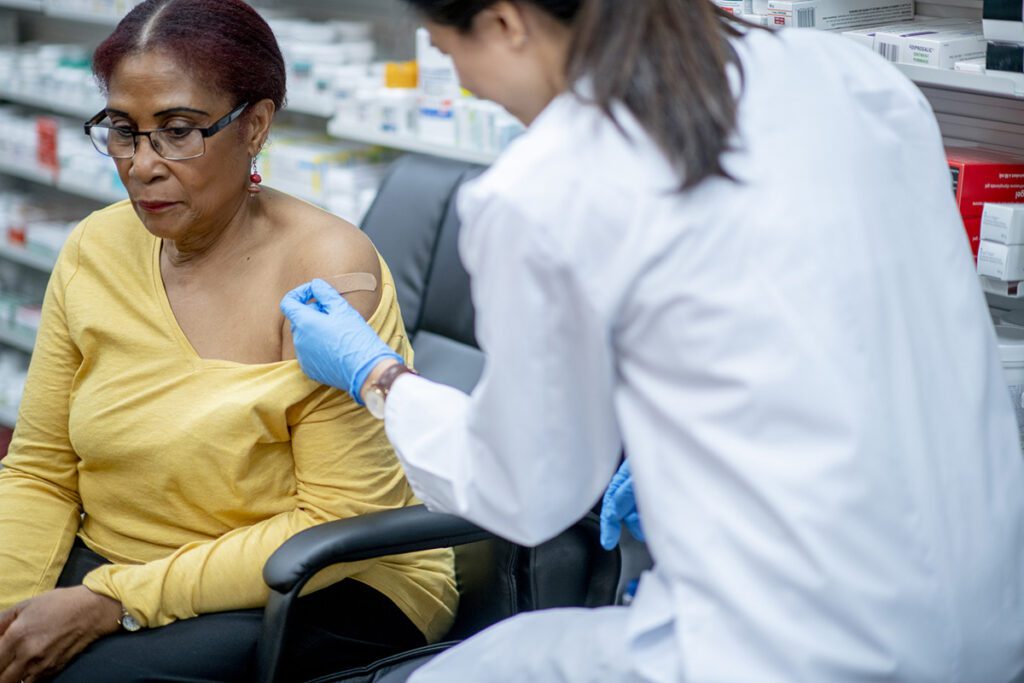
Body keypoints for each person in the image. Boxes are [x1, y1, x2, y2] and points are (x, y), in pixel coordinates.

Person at [281, 0, 1024, 681]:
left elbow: (523, 492)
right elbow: (832, 318)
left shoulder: (546, 185)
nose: (465, 84)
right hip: (991, 617)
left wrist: (379, 376)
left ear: (508, 21)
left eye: (448, 51)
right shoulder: (852, 77)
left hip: (791, 649)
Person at [0, 1, 456, 681]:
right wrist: (12, 608)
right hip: (127, 564)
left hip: (319, 580)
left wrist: (113, 598)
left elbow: (337, 517)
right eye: (123, 131)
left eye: (178, 131)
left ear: (257, 125)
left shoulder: (327, 271)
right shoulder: (95, 247)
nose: (142, 164)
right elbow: (39, 466)